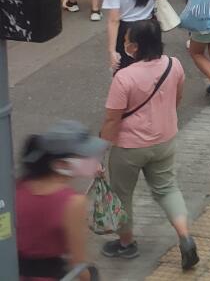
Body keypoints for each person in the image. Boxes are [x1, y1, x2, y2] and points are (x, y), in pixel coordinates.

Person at [97, 20, 198, 268]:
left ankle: (126, 244)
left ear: (135, 46)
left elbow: (112, 119)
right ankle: (185, 236)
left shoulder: (124, 77)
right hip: (164, 140)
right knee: (167, 188)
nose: (125, 43)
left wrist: (97, 153)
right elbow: (178, 98)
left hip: (129, 147)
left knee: (122, 195)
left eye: (127, 40)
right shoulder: (174, 65)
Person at [15, 120, 100, 279]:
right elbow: (78, 265)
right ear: (61, 164)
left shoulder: (17, 188)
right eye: (83, 156)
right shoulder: (73, 203)